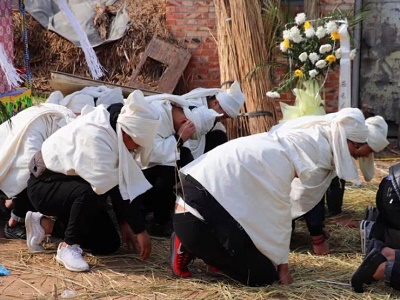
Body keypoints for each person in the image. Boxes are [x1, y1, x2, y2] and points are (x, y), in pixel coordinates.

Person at [170, 107, 369, 286]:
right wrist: (283, 266)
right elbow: (277, 217)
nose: (356, 154)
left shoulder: (275, 146)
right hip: (194, 218)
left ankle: (217, 256)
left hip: (200, 207)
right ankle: (189, 245)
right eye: (356, 147)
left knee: (255, 254)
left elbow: (258, 213)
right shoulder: (279, 162)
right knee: (262, 275)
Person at [25, 90, 160, 272]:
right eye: (138, 144)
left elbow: (117, 179)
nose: (138, 149)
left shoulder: (114, 129)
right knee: (92, 192)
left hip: (70, 187)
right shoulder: (97, 136)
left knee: (108, 244)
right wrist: (139, 229)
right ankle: (68, 247)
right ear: (127, 134)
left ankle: (43, 224)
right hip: (44, 186)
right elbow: (109, 185)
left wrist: (125, 223)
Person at [1, 86, 124, 240]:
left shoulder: (73, 122)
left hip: (40, 170)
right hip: (32, 168)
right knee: (28, 172)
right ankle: (14, 222)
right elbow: (27, 168)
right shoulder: (52, 121)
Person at [139, 81, 245, 237]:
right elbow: (151, 155)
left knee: (187, 168)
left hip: (168, 154)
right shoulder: (159, 116)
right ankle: (157, 219)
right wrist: (179, 139)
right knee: (170, 173)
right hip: (142, 170)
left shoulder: (190, 115)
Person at [298, 115, 389, 255]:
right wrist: (317, 238)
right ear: (358, 143)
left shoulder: (338, 147)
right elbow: (311, 192)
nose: (366, 156)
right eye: (369, 151)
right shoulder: (322, 148)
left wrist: (320, 225)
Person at [0, 103, 76, 239]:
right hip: (35, 129)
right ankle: (14, 223)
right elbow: (29, 171)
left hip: (41, 126)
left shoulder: (66, 121)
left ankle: (11, 205)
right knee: (29, 172)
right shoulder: (57, 130)